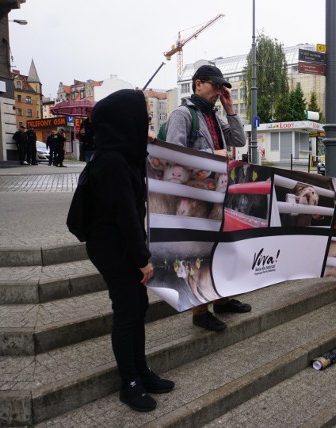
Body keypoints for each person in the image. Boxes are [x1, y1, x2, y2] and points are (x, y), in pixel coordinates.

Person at [85, 89, 174, 412]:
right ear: (128, 121)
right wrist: (141, 260)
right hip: (112, 249)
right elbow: (125, 216)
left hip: (121, 243)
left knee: (138, 307)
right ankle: (129, 383)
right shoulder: (112, 162)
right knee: (127, 312)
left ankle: (142, 370)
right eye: (144, 116)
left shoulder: (123, 155)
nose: (148, 122)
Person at [166, 64, 250, 332]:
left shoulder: (213, 115)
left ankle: (222, 299)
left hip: (217, 194)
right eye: (215, 86)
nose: (218, 91)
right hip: (194, 198)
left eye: (221, 86)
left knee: (222, 249)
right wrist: (213, 155)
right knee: (200, 254)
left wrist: (230, 108)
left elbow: (239, 139)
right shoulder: (183, 114)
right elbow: (173, 156)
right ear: (198, 83)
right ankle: (199, 310)